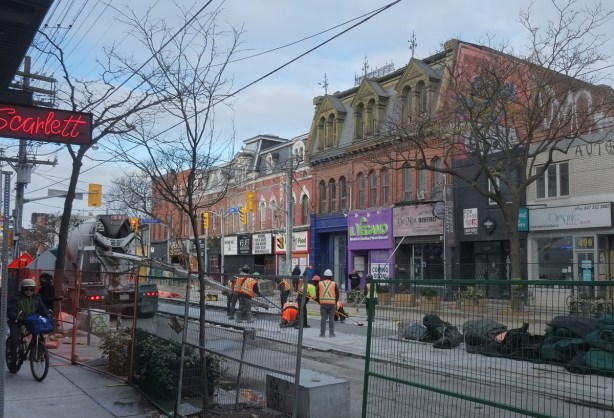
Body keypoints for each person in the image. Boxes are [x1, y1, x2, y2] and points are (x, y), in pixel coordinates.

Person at [7, 279, 51, 366]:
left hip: (31, 321)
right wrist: (17, 316)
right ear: (22, 289)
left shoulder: (37, 298)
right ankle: (13, 360)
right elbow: (10, 310)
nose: (29, 291)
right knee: (15, 339)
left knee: (40, 335)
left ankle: (39, 352)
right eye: (26, 289)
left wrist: (48, 313)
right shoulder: (16, 298)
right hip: (17, 321)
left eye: (31, 289)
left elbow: (42, 308)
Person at [316, 269, 339, 337]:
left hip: (323, 303)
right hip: (332, 304)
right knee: (331, 318)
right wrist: (335, 302)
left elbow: (317, 294)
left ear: (324, 276)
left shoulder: (320, 283)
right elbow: (337, 294)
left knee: (323, 318)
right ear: (331, 276)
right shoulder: (334, 284)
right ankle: (331, 333)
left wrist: (320, 301)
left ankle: (322, 333)